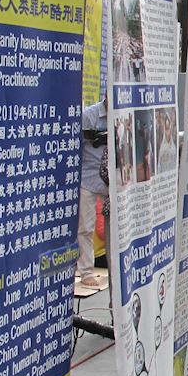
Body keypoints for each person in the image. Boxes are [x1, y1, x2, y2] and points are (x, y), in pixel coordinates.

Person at [77, 99, 109, 291]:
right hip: (88, 178)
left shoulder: (123, 114)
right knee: (85, 227)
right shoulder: (89, 116)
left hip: (111, 181)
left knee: (115, 228)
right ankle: (86, 271)